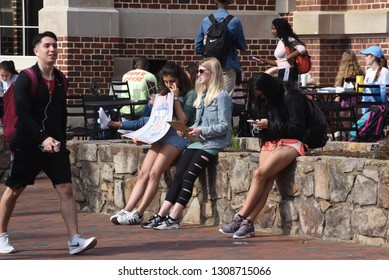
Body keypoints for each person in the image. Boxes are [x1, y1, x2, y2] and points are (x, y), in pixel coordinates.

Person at [0, 31, 97, 254]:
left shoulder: (62, 79)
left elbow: (60, 113)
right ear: (36, 51)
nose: (52, 49)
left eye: (54, 45)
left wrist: (60, 140)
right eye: (47, 46)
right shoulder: (26, 78)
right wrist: (42, 138)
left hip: (54, 145)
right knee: (14, 189)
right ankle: (1, 235)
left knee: (66, 188)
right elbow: (23, 114)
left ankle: (74, 240)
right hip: (27, 144)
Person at [141, 57, 232, 230]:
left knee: (189, 176)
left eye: (201, 71)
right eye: (197, 71)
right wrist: (188, 130)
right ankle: (161, 214)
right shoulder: (202, 95)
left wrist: (201, 130)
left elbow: (224, 126)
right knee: (179, 175)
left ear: (213, 73)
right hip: (197, 141)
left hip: (213, 143)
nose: (197, 74)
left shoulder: (222, 97)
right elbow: (198, 122)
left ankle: (174, 217)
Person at [219, 72, 307, 239]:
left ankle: (240, 216)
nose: (259, 96)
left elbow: (298, 127)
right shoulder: (262, 99)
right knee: (267, 178)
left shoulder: (290, 95)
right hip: (271, 141)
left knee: (259, 174)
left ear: (269, 88)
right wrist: (261, 126)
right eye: (256, 93)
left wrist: (270, 124)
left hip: (292, 141)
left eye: (261, 92)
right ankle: (249, 223)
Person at [109, 62, 196, 225]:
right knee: (144, 173)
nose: (169, 85)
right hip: (162, 132)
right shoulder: (163, 93)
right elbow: (150, 118)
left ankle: (139, 212)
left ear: (179, 79)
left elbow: (184, 120)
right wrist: (144, 133)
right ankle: (127, 209)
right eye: (166, 82)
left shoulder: (190, 93)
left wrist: (176, 99)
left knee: (155, 173)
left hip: (179, 134)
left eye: (172, 81)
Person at [195, 0, 247, 97]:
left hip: (210, 67)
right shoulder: (234, 21)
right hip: (227, 66)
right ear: (228, 3)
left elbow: (198, 47)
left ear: (215, 2)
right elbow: (242, 46)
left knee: (209, 99)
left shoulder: (206, 20)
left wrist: (210, 54)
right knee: (225, 99)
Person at [253, 18, 307, 84]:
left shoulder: (289, 39)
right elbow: (280, 62)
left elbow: (302, 48)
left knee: (286, 92)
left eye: (274, 29)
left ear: (280, 29)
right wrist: (266, 61)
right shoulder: (281, 41)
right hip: (282, 70)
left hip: (288, 70)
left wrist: (289, 57)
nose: (272, 31)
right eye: (272, 29)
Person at [360, 45, 389, 113]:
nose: (364, 58)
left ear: (373, 57)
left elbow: (385, 92)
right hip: (367, 108)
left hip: (380, 109)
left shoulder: (384, 71)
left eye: (367, 55)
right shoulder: (368, 71)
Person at [0, 61, 19, 126]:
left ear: (11, 73)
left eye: (7, 76)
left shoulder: (17, 79)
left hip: (12, 105)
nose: (4, 78)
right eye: (2, 75)